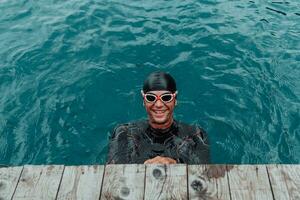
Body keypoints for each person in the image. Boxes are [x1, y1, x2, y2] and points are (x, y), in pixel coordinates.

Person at [107, 71, 210, 164]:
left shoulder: (195, 135)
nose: (159, 104)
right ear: (144, 101)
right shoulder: (124, 133)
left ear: (175, 100)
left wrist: (176, 164)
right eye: (151, 98)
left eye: (166, 97)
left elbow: (203, 173)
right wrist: (143, 167)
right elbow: (114, 173)